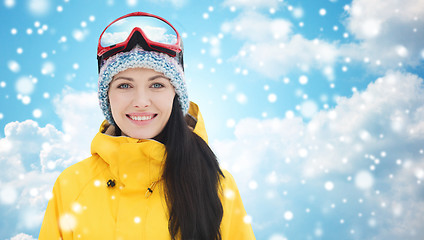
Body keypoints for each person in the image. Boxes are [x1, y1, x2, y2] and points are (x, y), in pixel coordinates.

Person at [39, 12, 255, 240]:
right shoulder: (72, 185)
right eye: (124, 86)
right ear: (107, 97)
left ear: (175, 94)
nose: (141, 101)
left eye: (157, 85)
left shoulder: (217, 185)